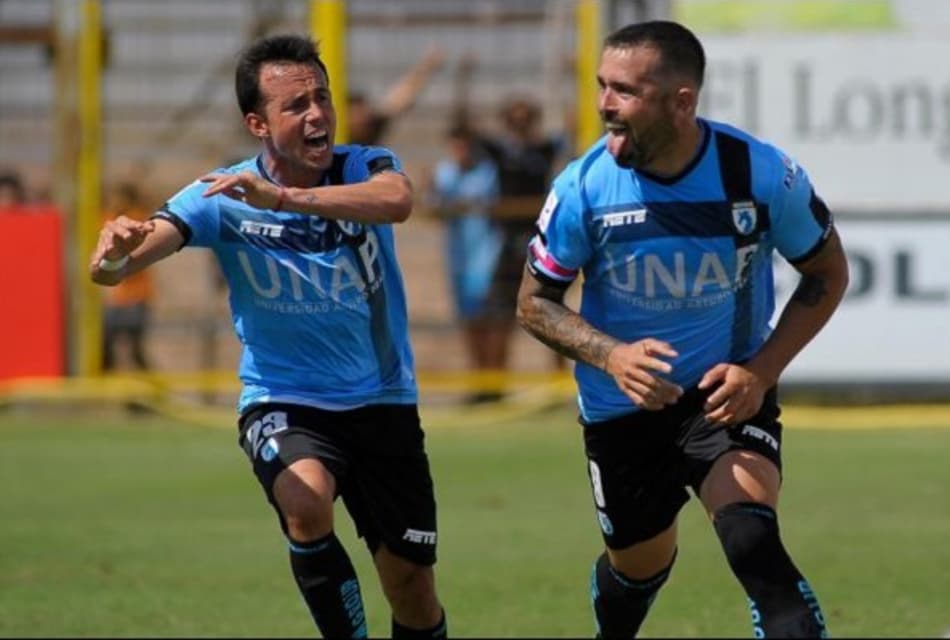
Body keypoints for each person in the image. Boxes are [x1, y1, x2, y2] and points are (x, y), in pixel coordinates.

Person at [89, 34, 447, 639]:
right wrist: (114, 259)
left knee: (412, 589)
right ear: (257, 122)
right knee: (305, 501)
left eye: (322, 98)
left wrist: (285, 198)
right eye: (296, 105)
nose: (317, 115)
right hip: (284, 398)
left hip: (383, 401)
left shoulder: (362, 166)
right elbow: (136, 253)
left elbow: (398, 200)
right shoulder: (221, 195)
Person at [516, 21, 848, 638]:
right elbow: (535, 303)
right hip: (621, 410)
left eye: (623, 91)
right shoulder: (583, 187)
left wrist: (761, 371)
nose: (603, 105)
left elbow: (826, 273)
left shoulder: (759, 174)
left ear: (681, 101)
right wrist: (613, 357)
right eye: (600, 87)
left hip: (724, 396)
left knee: (752, 541)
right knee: (638, 571)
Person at [452, 56, 570, 390]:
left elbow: (573, 126)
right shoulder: (500, 151)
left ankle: (558, 384)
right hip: (504, 244)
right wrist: (464, 84)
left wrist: (568, 76)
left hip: (539, 242)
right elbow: (464, 128)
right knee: (500, 316)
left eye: (525, 119)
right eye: (514, 120)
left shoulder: (544, 149)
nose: (519, 126)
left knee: (552, 310)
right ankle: (494, 384)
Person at [425, 123, 503, 402]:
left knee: (490, 320)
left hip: (486, 255)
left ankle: (495, 383)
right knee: (470, 322)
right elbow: (433, 208)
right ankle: (479, 381)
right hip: (458, 258)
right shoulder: (445, 173)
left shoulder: (488, 173)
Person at [101, 182, 154, 372]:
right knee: (105, 348)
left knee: (135, 349)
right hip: (116, 299)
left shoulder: (136, 218)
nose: (115, 202)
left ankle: (149, 388)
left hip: (136, 296)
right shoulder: (108, 219)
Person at [348, 43, 444, 146]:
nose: (363, 119)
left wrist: (427, 67)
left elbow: (400, 98)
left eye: (364, 112)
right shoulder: (334, 136)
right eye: (356, 114)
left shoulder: (374, 124)